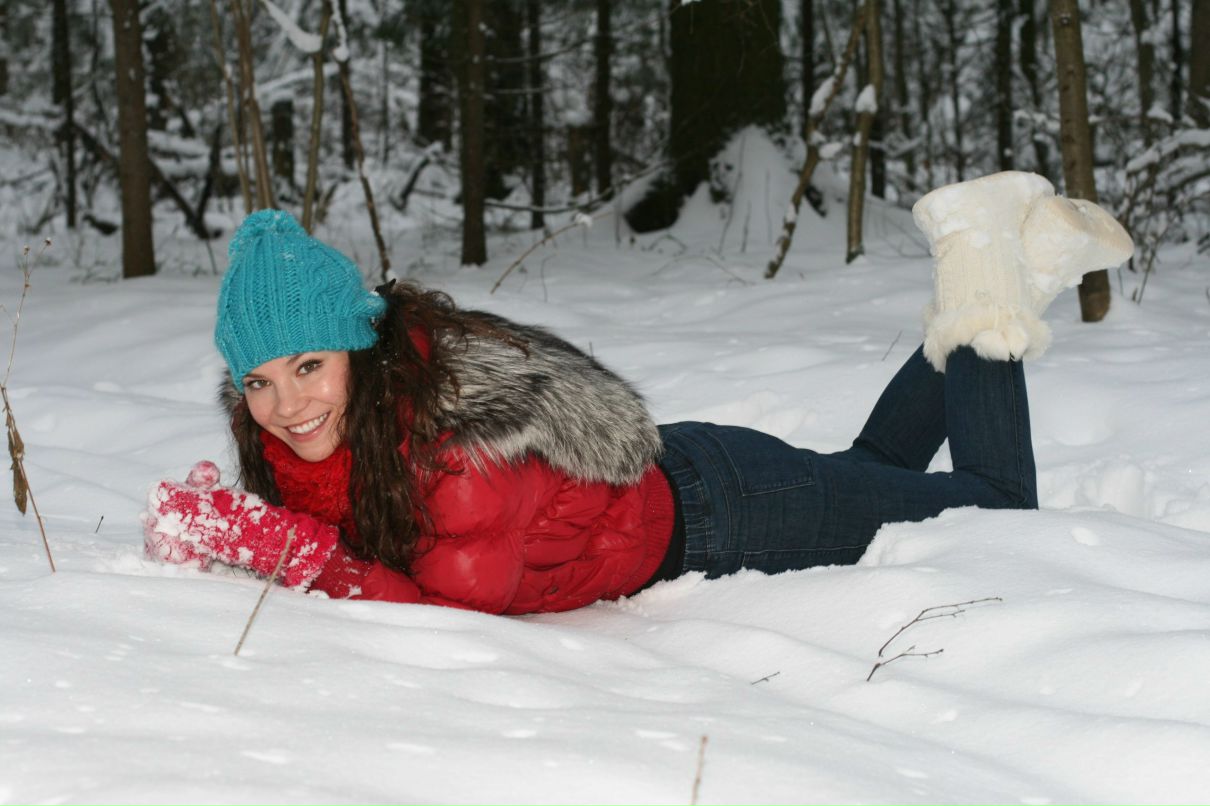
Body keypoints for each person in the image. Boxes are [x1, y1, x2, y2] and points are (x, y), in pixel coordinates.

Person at [142, 172, 1133, 614]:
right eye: (258, 381)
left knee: (998, 511)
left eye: (307, 367)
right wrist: (258, 530)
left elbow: (455, 597)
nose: (284, 405)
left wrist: (290, 552)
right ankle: (1014, 276)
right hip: (695, 476)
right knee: (878, 475)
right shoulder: (344, 431)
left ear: (359, 352)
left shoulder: (452, 455)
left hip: (727, 516)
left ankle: (985, 258)